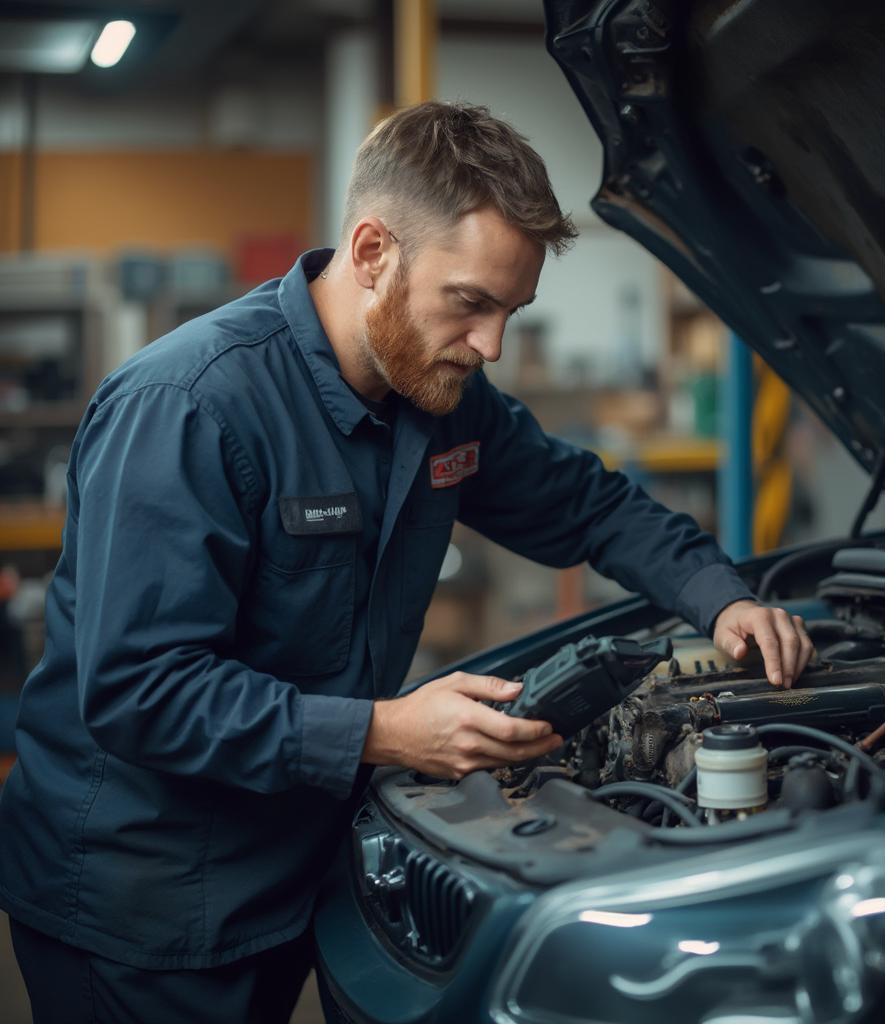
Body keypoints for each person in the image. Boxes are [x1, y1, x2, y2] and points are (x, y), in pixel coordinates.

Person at [0, 101, 814, 1023]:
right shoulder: (189, 408)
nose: (491, 344)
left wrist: (721, 599)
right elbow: (138, 689)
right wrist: (383, 732)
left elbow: (587, 504)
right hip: (139, 900)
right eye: (469, 303)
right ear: (373, 251)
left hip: (299, 864)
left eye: (513, 310)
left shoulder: (442, 400)